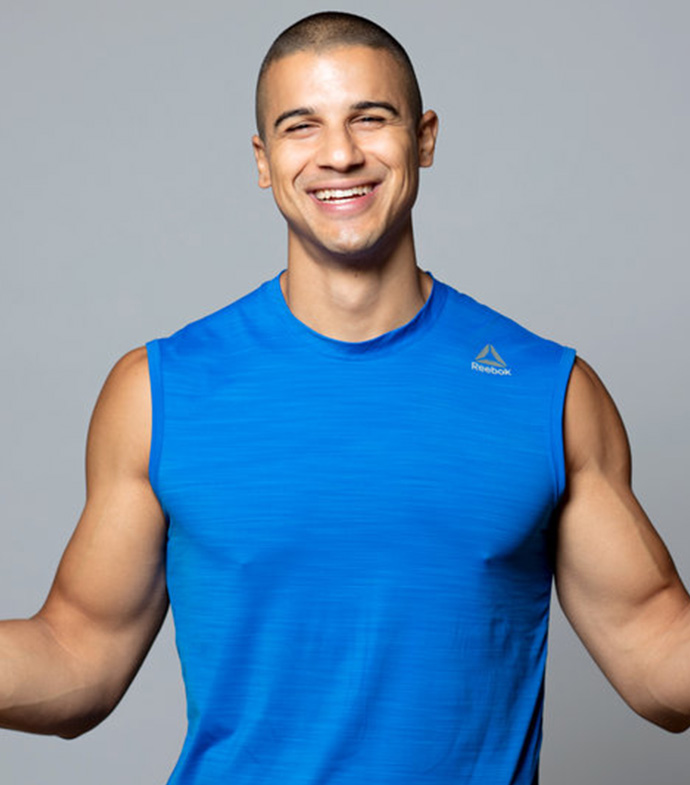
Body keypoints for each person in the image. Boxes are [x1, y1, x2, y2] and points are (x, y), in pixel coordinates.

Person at [1, 10, 688, 785]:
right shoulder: (161, 393)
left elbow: (656, 649)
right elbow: (79, 653)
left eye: (371, 118)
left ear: (424, 138)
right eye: (301, 126)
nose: (339, 153)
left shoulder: (548, 393)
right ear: (263, 161)